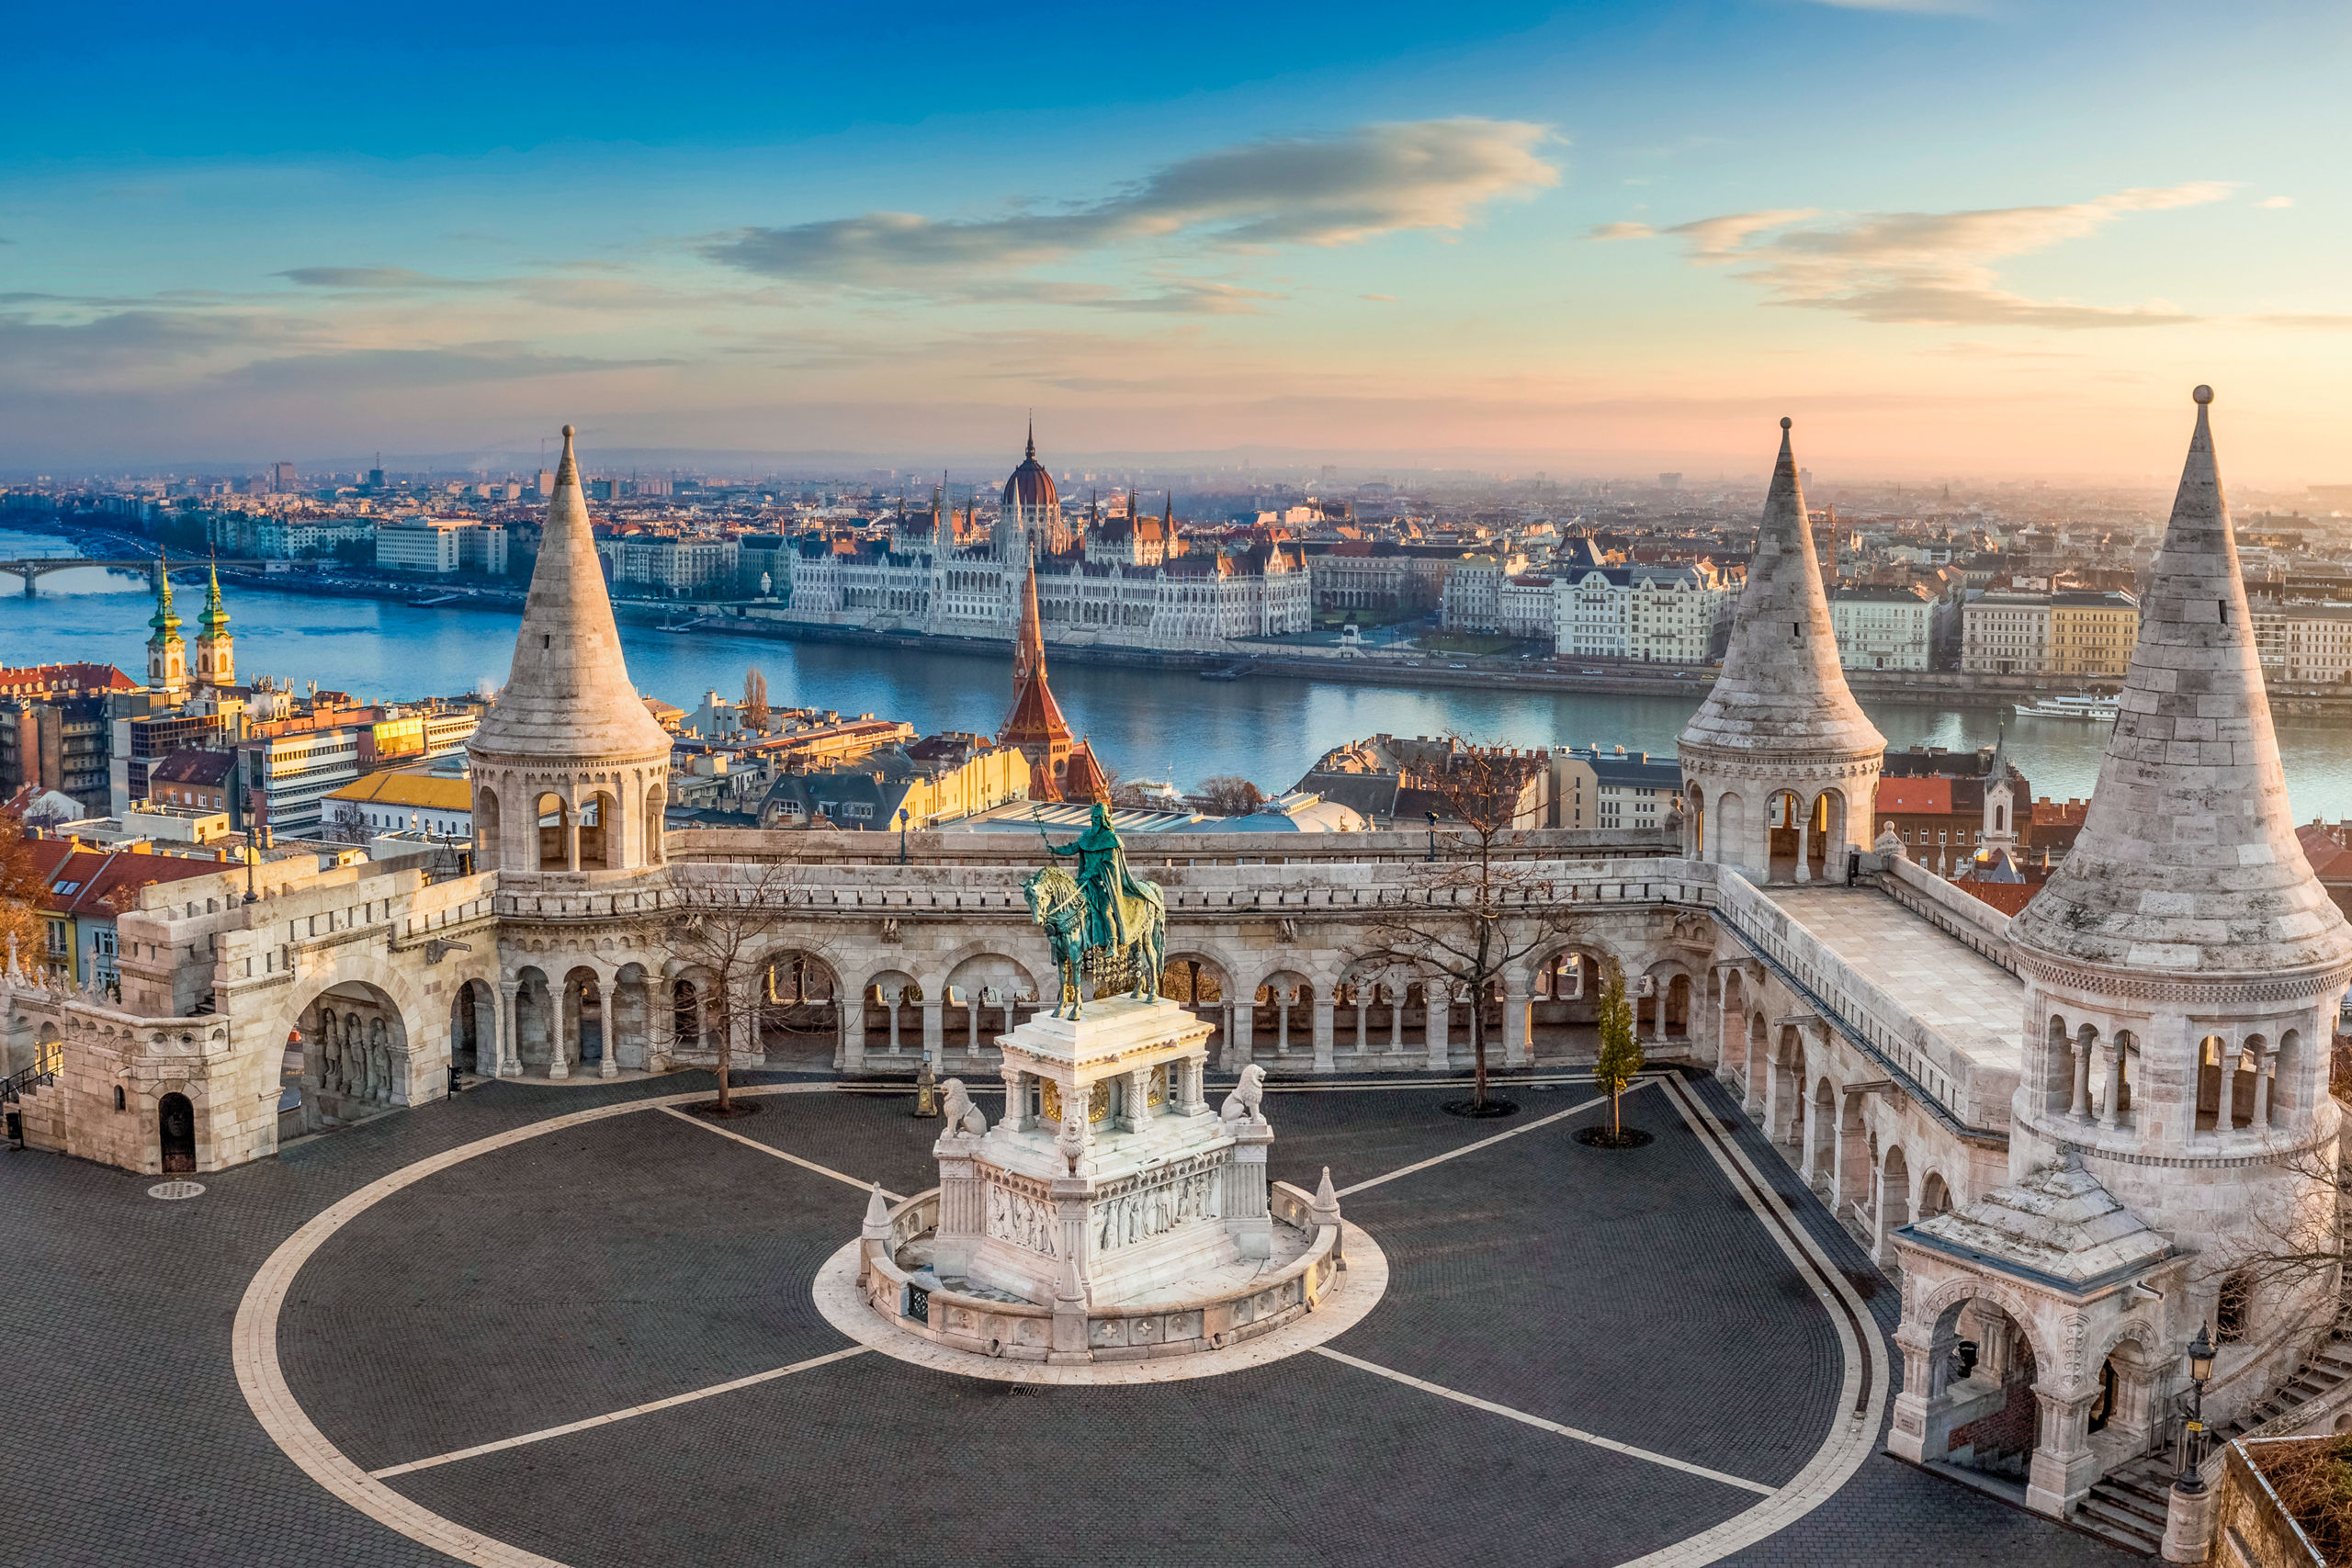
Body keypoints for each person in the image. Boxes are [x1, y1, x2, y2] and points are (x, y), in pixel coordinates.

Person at [1039, 802, 1153, 952]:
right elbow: (1072, 848)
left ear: (1104, 819)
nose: (1094, 821)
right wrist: (1055, 849)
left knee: (1106, 911)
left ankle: (1112, 943)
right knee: (1073, 906)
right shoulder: (1086, 836)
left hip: (1104, 884)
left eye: (1098, 818)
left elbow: (1108, 865)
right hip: (1085, 881)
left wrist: (1091, 873)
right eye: (1093, 818)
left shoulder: (1110, 839)